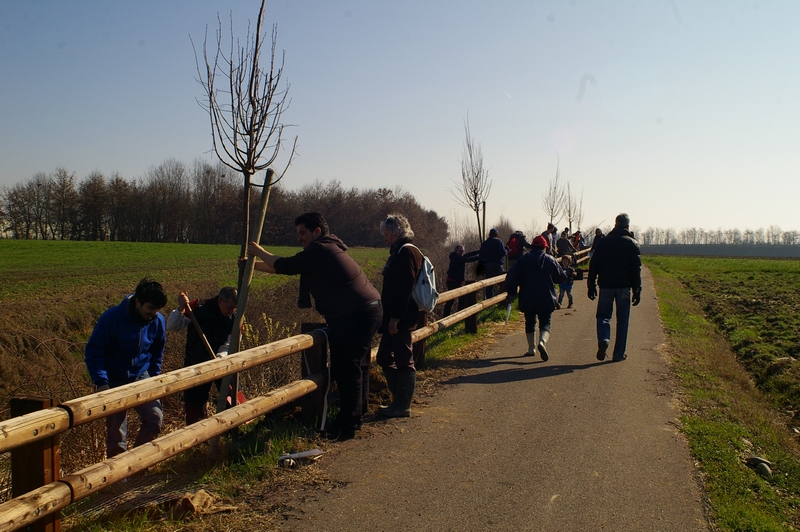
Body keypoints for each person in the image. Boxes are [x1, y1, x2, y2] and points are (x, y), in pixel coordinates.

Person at [248, 212, 382, 441]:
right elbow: (287, 267)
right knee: (357, 366)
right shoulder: (328, 248)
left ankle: (346, 426)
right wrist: (251, 265)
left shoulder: (320, 250)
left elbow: (288, 265)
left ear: (316, 231)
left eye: (302, 233)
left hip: (354, 313)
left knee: (347, 368)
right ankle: (356, 416)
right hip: (367, 308)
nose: (299, 238)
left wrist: (258, 251)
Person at [84, 278, 167, 458]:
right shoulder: (111, 318)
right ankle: (118, 477)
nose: (154, 314)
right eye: (150, 308)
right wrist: (101, 382)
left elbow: (157, 350)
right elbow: (94, 350)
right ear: (138, 302)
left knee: (154, 418)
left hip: (141, 375)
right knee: (116, 433)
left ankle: (138, 463)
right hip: (114, 378)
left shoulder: (158, 321)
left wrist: (154, 376)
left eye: (157, 310)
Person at [167, 286, 238, 425]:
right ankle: (198, 437)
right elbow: (172, 326)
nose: (232, 311)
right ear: (220, 301)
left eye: (234, 308)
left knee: (232, 394)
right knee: (195, 403)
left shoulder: (236, 316)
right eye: (229, 307)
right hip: (196, 363)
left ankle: (234, 428)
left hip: (222, 363)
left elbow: (231, 342)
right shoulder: (198, 308)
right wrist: (181, 309)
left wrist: (220, 359)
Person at [376, 214, 423, 418]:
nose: (385, 238)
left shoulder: (405, 253)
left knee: (403, 357)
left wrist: (395, 317)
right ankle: (399, 400)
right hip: (397, 316)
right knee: (384, 356)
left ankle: (403, 404)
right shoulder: (407, 251)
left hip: (401, 317)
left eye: (386, 234)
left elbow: (404, 287)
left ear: (396, 233)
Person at [587, 213, 642, 362]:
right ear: (627, 226)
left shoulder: (603, 242)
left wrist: (590, 284)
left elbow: (594, 265)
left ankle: (604, 338)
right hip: (624, 287)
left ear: (615, 224)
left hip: (605, 286)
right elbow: (636, 269)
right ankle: (618, 354)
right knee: (623, 320)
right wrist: (637, 289)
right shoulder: (632, 244)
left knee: (603, 316)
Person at [505, 235, 566, 360]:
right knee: (545, 323)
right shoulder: (550, 260)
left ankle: (531, 348)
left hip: (528, 297)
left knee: (530, 322)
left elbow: (512, 277)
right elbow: (560, 277)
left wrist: (511, 292)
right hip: (546, 297)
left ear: (532, 246)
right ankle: (542, 342)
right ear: (544, 247)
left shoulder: (523, 260)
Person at [443, 244, 480, 317]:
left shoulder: (459, 256)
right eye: (460, 251)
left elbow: (468, 255)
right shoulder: (456, 257)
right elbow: (467, 259)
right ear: (456, 251)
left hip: (456, 281)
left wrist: (479, 251)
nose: (462, 253)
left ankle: (456, 315)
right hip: (452, 281)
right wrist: (479, 257)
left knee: (458, 299)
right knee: (453, 299)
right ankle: (453, 316)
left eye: (463, 251)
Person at [478, 228, 507, 299]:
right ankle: (501, 300)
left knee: (489, 284)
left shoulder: (485, 243)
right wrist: (506, 250)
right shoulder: (499, 242)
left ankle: (489, 301)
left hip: (488, 266)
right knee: (501, 283)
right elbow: (503, 253)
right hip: (497, 265)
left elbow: (481, 256)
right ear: (497, 235)